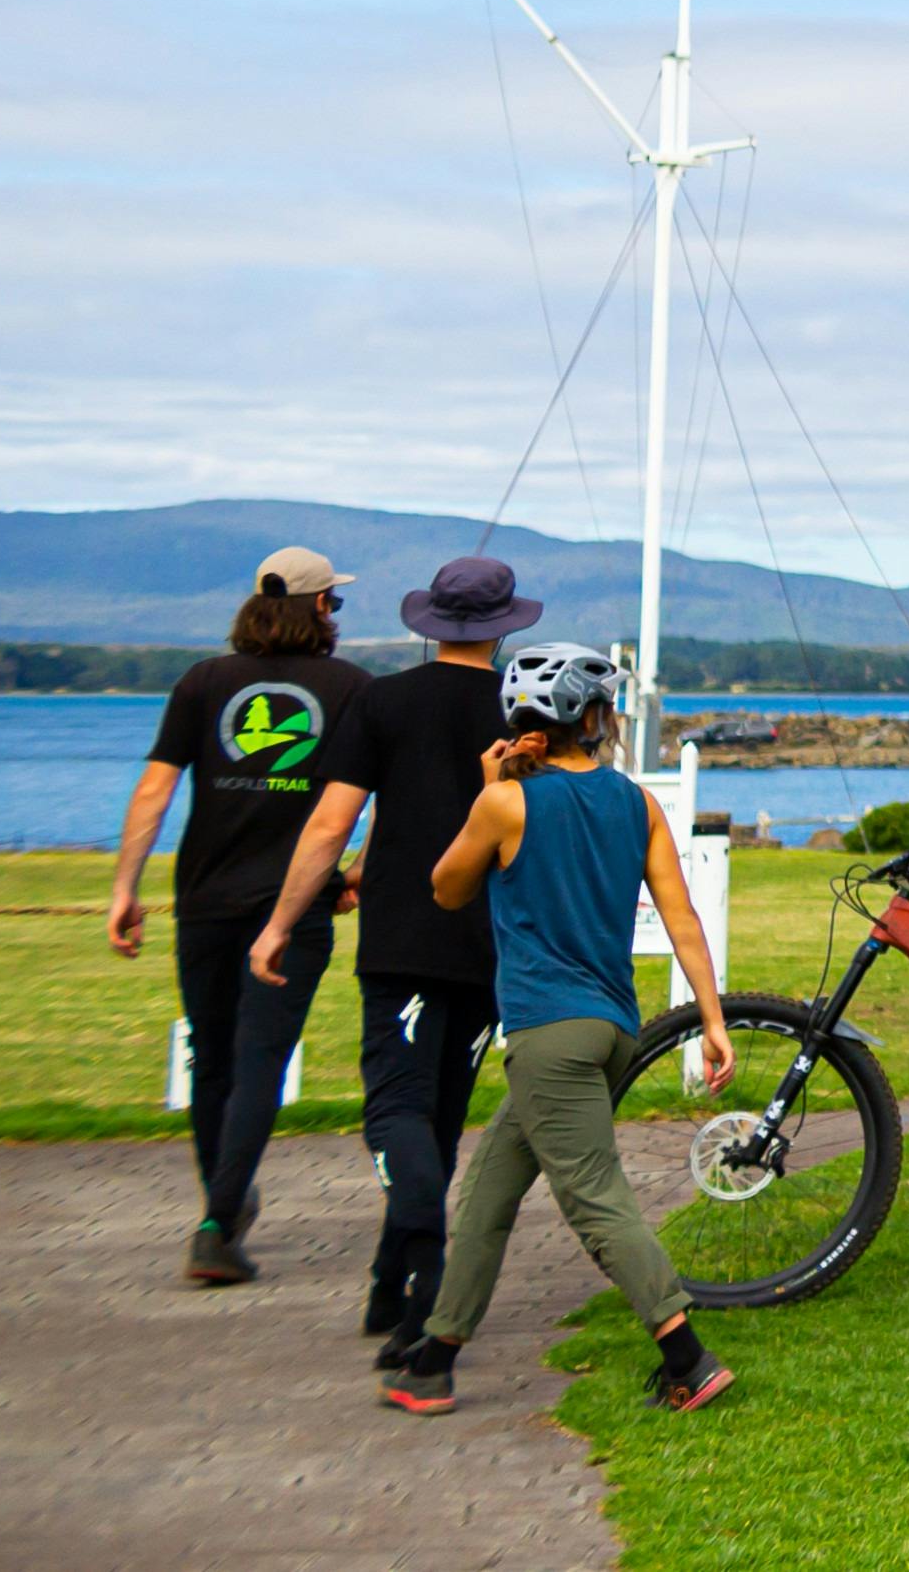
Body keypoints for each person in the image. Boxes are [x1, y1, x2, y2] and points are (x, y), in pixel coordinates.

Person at [385, 640, 738, 1418]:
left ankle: (688, 1356)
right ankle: (434, 1358)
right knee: (489, 1189)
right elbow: (681, 917)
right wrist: (711, 1020)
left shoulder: (506, 802)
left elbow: (446, 888)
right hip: (613, 1028)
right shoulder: (635, 800)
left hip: (546, 1033)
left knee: (595, 1197)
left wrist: (489, 787)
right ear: (594, 717)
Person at [249, 550, 530, 1369]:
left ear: (429, 621)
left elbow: (330, 822)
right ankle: (391, 1280)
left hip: (403, 940)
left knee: (394, 1111)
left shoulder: (383, 701)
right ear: (506, 626)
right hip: (488, 940)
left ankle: (430, 1280)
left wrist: (279, 923)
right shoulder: (521, 716)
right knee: (438, 1115)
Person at [106, 546, 377, 1285]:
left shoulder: (203, 681)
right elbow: (389, 795)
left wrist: (125, 886)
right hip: (295, 908)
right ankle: (219, 1222)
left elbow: (154, 793)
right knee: (261, 1057)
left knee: (214, 1058)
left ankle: (220, 1203)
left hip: (203, 899)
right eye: (336, 603)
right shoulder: (353, 688)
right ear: (320, 607)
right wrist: (357, 870)